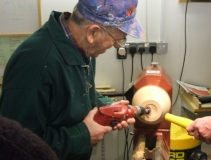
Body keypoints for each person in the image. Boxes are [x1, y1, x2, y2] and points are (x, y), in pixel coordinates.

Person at [0, 0, 144, 159]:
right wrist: (83, 135)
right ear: (92, 33)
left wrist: (109, 108)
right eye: (117, 41)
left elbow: (79, 90)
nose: (116, 46)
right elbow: (15, 145)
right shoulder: (35, 63)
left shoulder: (83, 48)